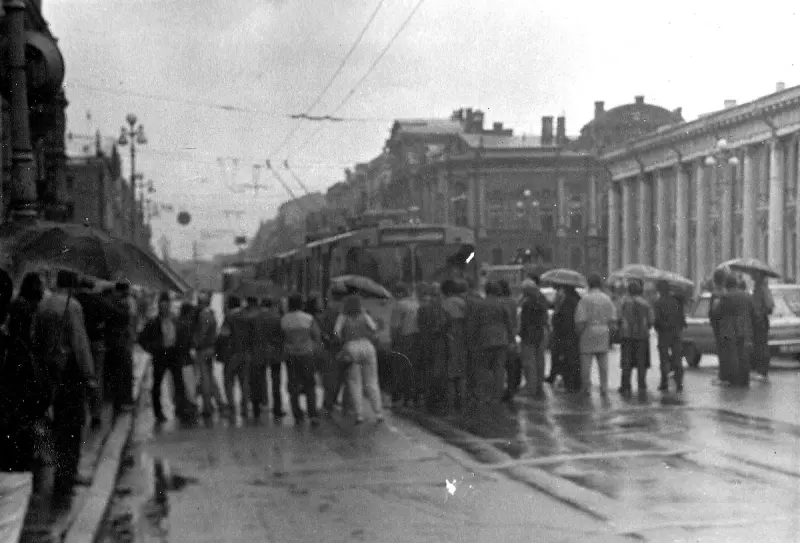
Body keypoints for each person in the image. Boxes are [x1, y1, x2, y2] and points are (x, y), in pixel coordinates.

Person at [36, 269, 99, 496]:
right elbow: (80, 344)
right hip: (70, 373)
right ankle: (68, 475)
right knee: (73, 426)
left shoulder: (44, 304)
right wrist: (90, 375)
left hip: (48, 371)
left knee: (56, 424)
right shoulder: (72, 307)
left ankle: (58, 471)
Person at [138, 293, 188, 424]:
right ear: (159, 307)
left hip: (173, 354)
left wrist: (181, 349)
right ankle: (158, 412)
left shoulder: (175, 320)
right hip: (160, 354)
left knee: (179, 383)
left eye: (166, 306)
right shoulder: (153, 322)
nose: (164, 308)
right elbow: (141, 339)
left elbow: (182, 335)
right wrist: (152, 349)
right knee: (157, 384)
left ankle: (181, 409)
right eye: (162, 306)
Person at [334, 294, 383, 424]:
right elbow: (374, 329)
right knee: (372, 381)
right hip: (367, 346)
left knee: (354, 382)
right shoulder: (365, 315)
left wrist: (342, 341)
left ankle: (359, 414)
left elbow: (336, 333)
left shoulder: (343, 317)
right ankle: (378, 413)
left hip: (351, 348)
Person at [465, 280, 513, 404]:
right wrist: (511, 339)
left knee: (483, 368)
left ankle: (484, 395)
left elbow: (474, 324)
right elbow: (508, 323)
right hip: (502, 339)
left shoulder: (479, 304)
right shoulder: (502, 304)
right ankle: (497, 396)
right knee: (499, 369)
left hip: (485, 338)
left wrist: (471, 340)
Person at [280, 293, 321, 425]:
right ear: (301, 304)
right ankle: (312, 414)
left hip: (290, 355)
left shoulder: (284, 320)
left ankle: (297, 413)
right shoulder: (308, 318)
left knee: (293, 384)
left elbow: (281, 337)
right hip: (306, 354)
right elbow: (316, 335)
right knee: (310, 384)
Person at [575, 273, 617, 397]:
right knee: (603, 362)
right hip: (603, 330)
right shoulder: (606, 298)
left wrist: (578, 333)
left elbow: (580, 319)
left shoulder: (585, 299)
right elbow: (612, 318)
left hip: (588, 330)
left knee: (586, 362)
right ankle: (604, 387)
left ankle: (586, 387)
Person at [716, 274, 758, 388]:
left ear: (727, 285)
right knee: (743, 355)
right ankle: (745, 379)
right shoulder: (746, 296)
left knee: (732, 355)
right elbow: (754, 313)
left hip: (730, 330)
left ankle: (734, 380)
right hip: (744, 329)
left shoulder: (725, 297)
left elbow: (717, 313)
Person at [416, 283, 449, 413]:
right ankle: (437, 398)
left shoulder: (423, 309)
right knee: (438, 370)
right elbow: (446, 325)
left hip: (426, 342)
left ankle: (430, 397)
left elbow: (420, 325)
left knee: (429, 370)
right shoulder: (441, 310)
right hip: (438, 343)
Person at [225, 296, 260, 419]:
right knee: (244, 381)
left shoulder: (229, 317)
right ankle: (245, 408)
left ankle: (231, 407)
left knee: (229, 380)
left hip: (232, 353)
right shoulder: (247, 317)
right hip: (246, 352)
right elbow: (253, 335)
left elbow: (225, 334)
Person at [619, 280, 654, 396]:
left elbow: (618, 318)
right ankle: (642, 385)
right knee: (641, 362)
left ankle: (625, 385)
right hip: (642, 336)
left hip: (627, 336)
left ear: (628, 290)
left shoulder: (623, 303)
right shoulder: (646, 304)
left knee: (626, 362)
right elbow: (650, 321)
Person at [193, 291, 225, 417]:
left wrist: (196, 343)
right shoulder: (210, 313)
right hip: (210, 349)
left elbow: (202, 334)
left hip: (204, 350)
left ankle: (207, 406)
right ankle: (218, 402)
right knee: (210, 377)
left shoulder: (204, 315)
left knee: (205, 378)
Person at [251, 297, 283, 420]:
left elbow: (252, 336)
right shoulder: (277, 318)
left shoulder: (255, 318)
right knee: (276, 382)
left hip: (259, 352)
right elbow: (281, 337)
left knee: (258, 381)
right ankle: (277, 409)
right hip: (274, 353)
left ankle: (258, 408)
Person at [389, 283, 420, 407]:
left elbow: (395, 326)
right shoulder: (416, 303)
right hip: (417, 338)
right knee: (413, 367)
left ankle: (399, 397)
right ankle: (412, 397)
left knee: (400, 367)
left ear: (399, 293)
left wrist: (393, 340)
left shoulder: (399, 305)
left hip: (404, 338)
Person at [319, 287, 348, 417]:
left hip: (332, 345)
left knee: (330, 374)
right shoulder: (347, 309)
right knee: (342, 374)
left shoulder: (329, 309)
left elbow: (323, 327)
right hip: (345, 344)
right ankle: (337, 400)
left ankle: (328, 403)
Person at [519, 276, 550, 398]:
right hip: (541, 333)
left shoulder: (527, 303)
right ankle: (538, 387)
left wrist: (521, 334)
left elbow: (524, 321)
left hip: (529, 335)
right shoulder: (541, 299)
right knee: (540, 361)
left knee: (529, 363)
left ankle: (530, 388)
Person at [653, 280, 686, 393]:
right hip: (676, 332)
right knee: (677, 358)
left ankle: (664, 383)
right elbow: (681, 316)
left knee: (664, 359)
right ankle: (679, 383)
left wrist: (659, 327)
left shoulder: (658, 303)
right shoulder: (676, 301)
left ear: (660, 290)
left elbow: (657, 320)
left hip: (664, 333)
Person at [441, 279, 468, 412]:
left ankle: (451, 401)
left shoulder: (445, 304)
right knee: (461, 370)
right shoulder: (462, 302)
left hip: (450, 336)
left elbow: (443, 322)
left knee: (451, 370)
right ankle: (462, 399)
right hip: (462, 336)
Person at [550, 285, 582, 393]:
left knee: (568, 360)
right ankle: (574, 383)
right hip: (573, 335)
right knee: (573, 359)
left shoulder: (568, 302)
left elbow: (564, 320)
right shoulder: (576, 299)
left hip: (566, 335)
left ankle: (570, 384)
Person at [497, 279, 521, 403]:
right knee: (511, 365)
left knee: (500, 364)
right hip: (510, 335)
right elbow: (515, 320)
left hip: (501, 335)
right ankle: (511, 388)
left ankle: (500, 390)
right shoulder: (512, 301)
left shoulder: (498, 302)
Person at [751, 272, 774, 382]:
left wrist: (760, 313)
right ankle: (760, 371)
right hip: (757, 320)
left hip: (760, 321)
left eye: (754, 273)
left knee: (761, 346)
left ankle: (763, 372)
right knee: (758, 345)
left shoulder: (763, 288)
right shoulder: (757, 288)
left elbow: (770, 305)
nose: (751, 275)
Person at [708, 269, 729, 385]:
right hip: (727, 326)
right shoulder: (726, 293)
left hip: (719, 327)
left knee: (721, 352)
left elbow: (713, 312)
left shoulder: (716, 294)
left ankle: (723, 376)